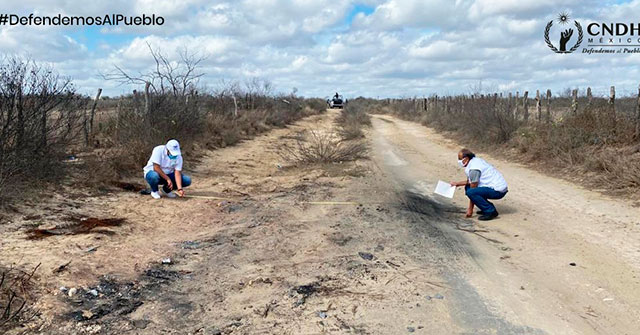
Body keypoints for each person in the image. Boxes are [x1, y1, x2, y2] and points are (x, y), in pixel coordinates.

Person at [450, 148, 507, 221]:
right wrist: (457, 184)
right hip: (494, 186)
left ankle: (490, 211)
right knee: (468, 188)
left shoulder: (474, 169)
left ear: (466, 159)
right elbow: (471, 181)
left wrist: (470, 209)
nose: (459, 161)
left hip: (497, 190)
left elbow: (473, 188)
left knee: (470, 192)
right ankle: (485, 207)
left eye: (460, 159)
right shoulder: (475, 161)